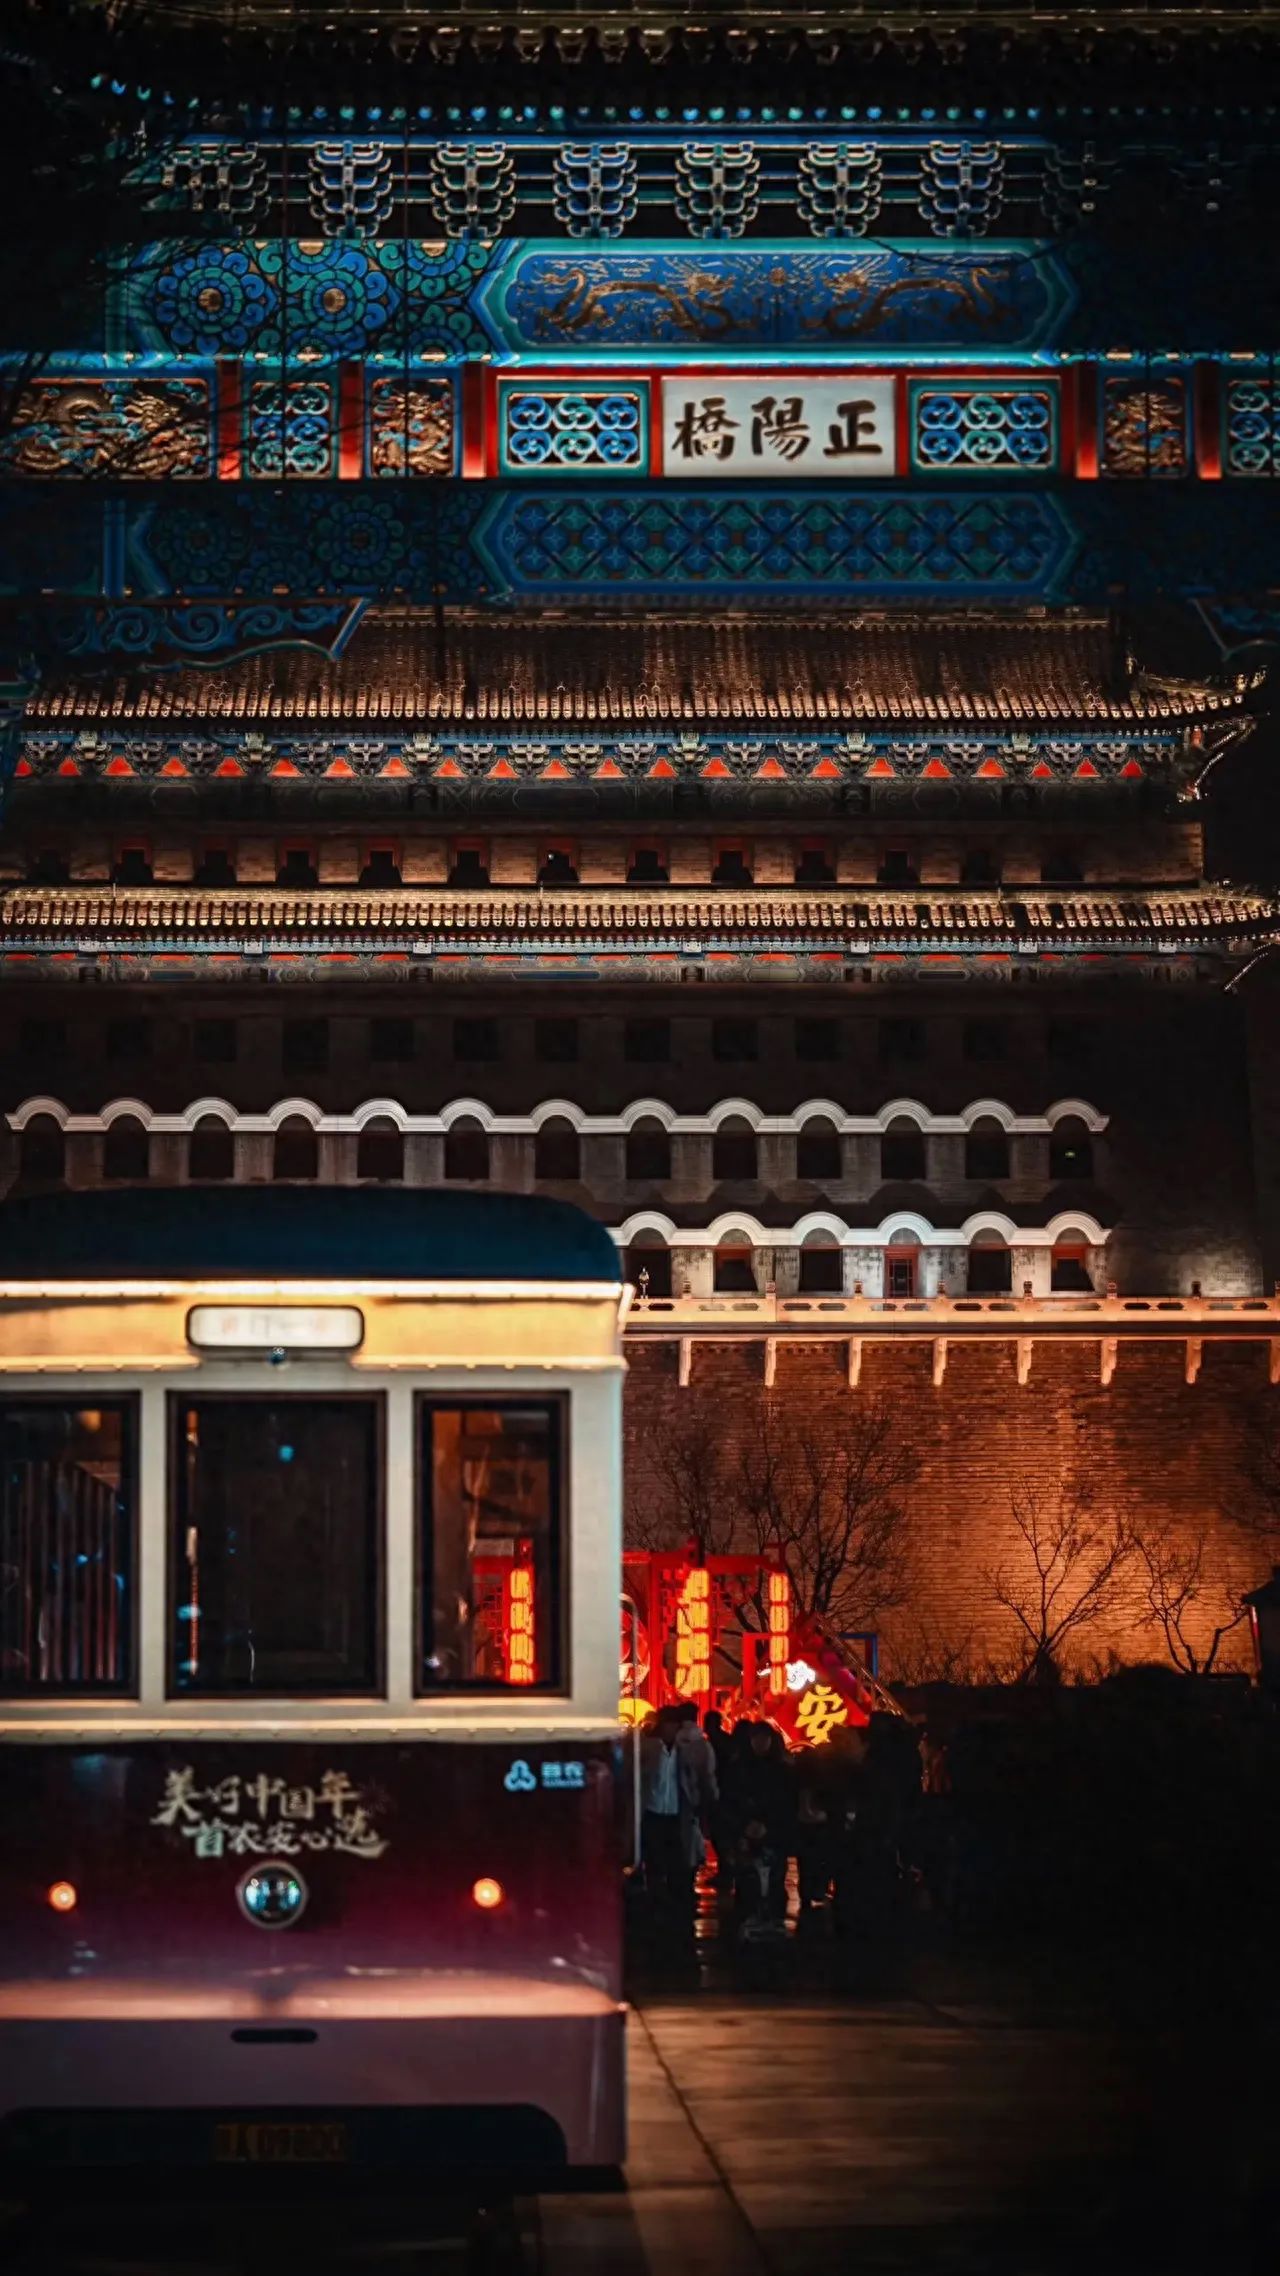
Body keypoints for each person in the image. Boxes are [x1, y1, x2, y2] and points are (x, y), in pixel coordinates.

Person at [639, 1701, 718, 1933]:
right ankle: (658, 1907)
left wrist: (704, 1804)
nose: (671, 1730)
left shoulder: (689, 1750)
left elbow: (703, 1779)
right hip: (653, 1812)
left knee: (677, 1862)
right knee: (654, 1862)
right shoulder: (648, 1748)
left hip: (677, 1813)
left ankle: (673, 1910)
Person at [722, 1721, 794, 1936]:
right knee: (748, 1880)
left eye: (765, 1739)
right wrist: (743, 1827)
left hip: (773, 1833)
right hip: (746, 1832)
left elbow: (786, 1803)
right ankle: (748, 1920)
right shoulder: (738, 1769)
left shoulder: (782, 1770)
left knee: (774, 1880)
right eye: (756, 1739)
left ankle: (774, 1920)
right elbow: (729, 1802)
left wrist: (769, 1826)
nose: (761, 1743)